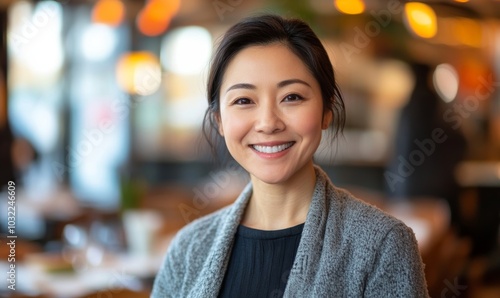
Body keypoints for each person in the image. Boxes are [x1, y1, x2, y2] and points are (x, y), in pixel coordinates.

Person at [152, 14, 428, 297]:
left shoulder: (382, 244)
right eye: (244, 100)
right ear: (219, 120)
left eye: (292, 97)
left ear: (326, 112)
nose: (268, 122)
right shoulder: (188, 249)